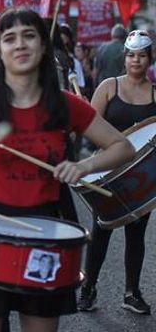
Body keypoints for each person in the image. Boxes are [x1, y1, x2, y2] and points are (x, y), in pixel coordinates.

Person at [0, 8, 135, 332]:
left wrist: (83, 165)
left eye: (29, 36)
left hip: (46, 233)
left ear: (42, 46)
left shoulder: (64, 104)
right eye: (9, 38)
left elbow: (123, 146)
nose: (20, 44)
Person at [79, 30, 156, 315]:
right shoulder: (108, 87)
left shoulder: (155, 92)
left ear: (150, 58)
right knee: (102, 231)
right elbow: (89, 127)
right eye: (132, 55)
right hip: (109, 173)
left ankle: (131, 292)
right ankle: (87, 289)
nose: (136, 60)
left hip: (142, 177)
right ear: (124, 57)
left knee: (137, 233)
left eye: (142, 55)